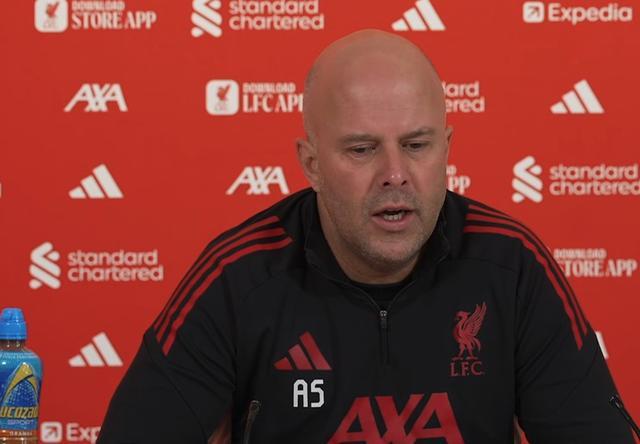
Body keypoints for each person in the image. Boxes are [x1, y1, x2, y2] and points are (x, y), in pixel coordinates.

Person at [97, 30, 634, 443]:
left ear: (447, 149)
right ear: (311, 164)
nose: (395, 174)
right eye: (362, 149)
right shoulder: (238, 277)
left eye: (417, 146)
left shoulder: (511, 266)